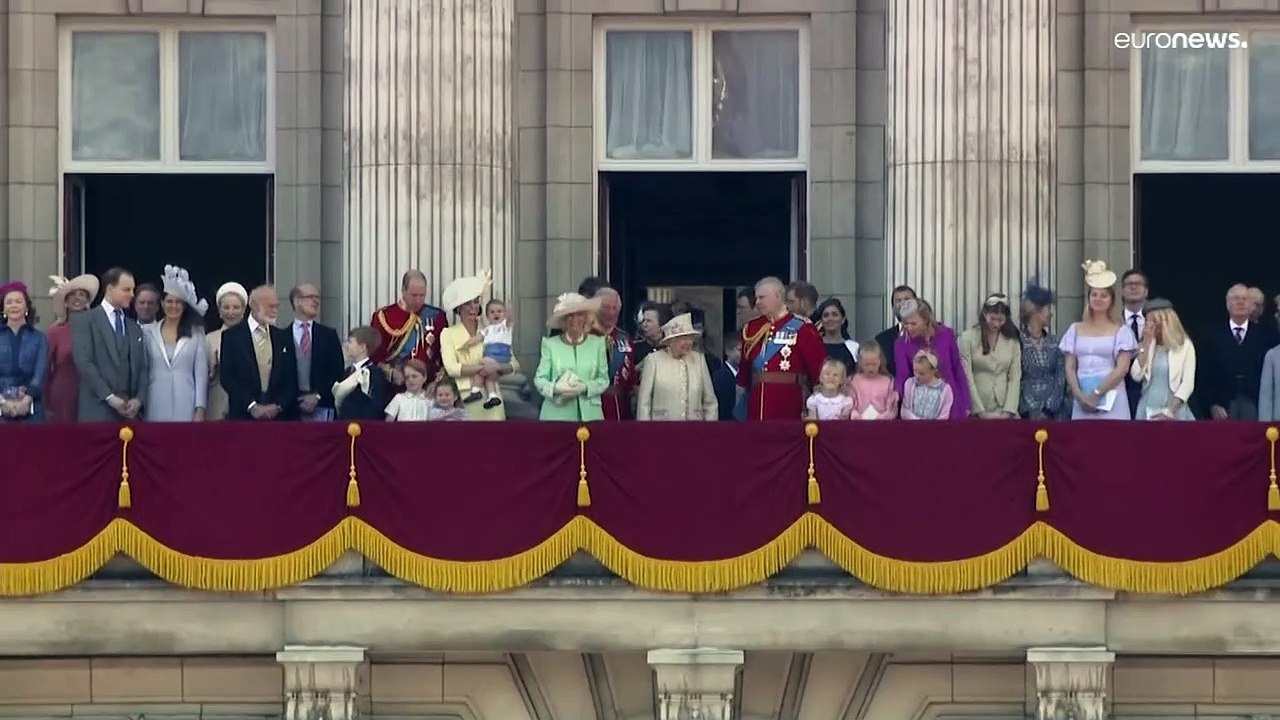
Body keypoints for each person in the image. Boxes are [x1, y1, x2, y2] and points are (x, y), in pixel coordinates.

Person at [737, 277, 825, 420]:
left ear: (778, 296)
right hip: (755, 408)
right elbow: (744, 372)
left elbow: (817, 371)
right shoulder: (751, 328)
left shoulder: (802, 327)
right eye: (756, 298)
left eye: (762, 298)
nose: (757, 303)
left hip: (789, 406)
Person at [1061, 261, 1137, 420]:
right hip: (1082, 399)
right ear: (1088, 298)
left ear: (1111, 300)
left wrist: (1097, 394)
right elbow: (1070, 367)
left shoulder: (1121, 331)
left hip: (1112, 398)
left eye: (1104, 295)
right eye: (1094, 295)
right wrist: (1080, 396)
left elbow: (1122, 369)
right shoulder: (1075, 329)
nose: (1099, 299)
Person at [438, 271, 519, 421]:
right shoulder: (448, 333)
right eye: (467, 304)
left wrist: (497, 368)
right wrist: (482, 369)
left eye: (475, 302)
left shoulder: (492, 329)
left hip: (493, 397)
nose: (472, 308)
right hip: (465, 398)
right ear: (458, 308)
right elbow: (452, 368)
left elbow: (513, 365)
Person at [71, 268, 148, 423]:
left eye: (133, 290)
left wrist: (138, 400)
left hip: (129, 413)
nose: (132, 295)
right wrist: (109, 397)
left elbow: (142, 367)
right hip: (97, 410)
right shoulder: (85, 321)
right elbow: (84, 363)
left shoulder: (134, 327)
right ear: (110, 289)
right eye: (126, 290)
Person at [219, 285, 299, 421]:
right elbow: (228, 377)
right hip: (243, 416)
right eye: (270, 306)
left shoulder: (282, 336)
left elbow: (291, 377)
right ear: (254, 306)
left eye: (276, 306)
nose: (275, 311)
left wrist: (278, 406)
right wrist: (251, 406)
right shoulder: (232, 336)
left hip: (278, 418)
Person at [141, 265, 209, 422]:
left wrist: (200, 408)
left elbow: (200, 373)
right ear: (162, 304)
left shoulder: (196, 333)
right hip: (155, 399)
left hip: (186, 400)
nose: (173, 306)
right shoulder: (148, 332)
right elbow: (143, 369)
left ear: (184, 306)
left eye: (178, 302)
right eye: (169, 301)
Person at [1200, 283, 1277, 421]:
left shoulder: (1265, 337)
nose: (1240, 302)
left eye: (1245, 299)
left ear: (1252, 305)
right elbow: (1204, 375)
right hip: (1222, 407)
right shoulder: (1212, 336)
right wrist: (1212, 405)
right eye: (1236, 298)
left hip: (1255, 406)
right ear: (1227, 303)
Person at [370, 270, 449, 398]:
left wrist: (437, 383)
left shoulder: (437, 316)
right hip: (393, 389)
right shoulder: (384, 316)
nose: (418, 300)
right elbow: (374, 356)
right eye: (413, 295)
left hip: (428, 388)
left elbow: (444, 354)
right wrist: (391, 373)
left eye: (422, 295)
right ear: (403, 290)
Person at [534, 292, 609, 422]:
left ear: (586, 318)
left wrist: (585, 387)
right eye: (570, 316)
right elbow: (540, 379)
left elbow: (603, 380)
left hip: (590, 416)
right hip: (556, 416)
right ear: (563, 320)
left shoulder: (597, 344)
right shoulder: (550, 344)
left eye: (579, 315)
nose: (575, 320)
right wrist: (555, 388)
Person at [892, 298, 970, 419]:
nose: (909, 328)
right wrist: (897, 392)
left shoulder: (947, 335)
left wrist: (966, 404)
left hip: (950, 401)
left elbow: (958, 370)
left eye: (914, 323)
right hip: (919, 405)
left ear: (926, 320)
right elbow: (902, 374)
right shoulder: (901, 344)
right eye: (906, 324)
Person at [635, 313, 718, 421]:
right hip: (662, 431)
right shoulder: (653, 360)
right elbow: (644, 404)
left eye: (690, 338)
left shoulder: (699, 360)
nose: (688, 342)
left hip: (695, 432)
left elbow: (710, 402)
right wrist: (646, 433)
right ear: (671, 341)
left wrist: (709, 432)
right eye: (683, 338)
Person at [44, 274, 99, 423]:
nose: (77, 298)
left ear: (88, 302)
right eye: (72, 295)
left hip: (91, 392)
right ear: (65, 303)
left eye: (81, 295)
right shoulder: (56, 331)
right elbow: (45, 368)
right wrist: (46, 402)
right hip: (63, 392)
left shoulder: (97, 329)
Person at [958, 293, 1022, 419]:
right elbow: (967, 376)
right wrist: (979, 411)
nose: (996, 324)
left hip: (1004, 408)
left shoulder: (1012, 342)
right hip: (978, 406)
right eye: (992, 318)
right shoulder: (967, 338)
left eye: (1001, 320)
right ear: (984, 314)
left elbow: (1015, 377)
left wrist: (1008, 411)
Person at [1131, 298, 1196, 421]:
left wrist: (1170, 411)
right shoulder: (1149, 345)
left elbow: (1187, 384)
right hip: (1148, 404)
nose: (1149, 326)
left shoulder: (1184, 346)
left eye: (1153, 322)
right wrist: (1145, 344)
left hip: (1174, 407)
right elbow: (1136, 375)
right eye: (1147, 322)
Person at [289, 284, 345, 422]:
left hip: (323, 406)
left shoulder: (329, 335)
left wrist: (318, 396)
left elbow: (337, 371)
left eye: (317, 297)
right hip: (290, 409)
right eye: (310, 297)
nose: (316, 301)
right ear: (297, 301)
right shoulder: (281, 336)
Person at [1019, 279, 1066, 420]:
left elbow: (1060, 378)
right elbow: (1017, 378)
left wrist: (1049, 408)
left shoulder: (1055, 342)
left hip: (1055, 412)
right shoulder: (1018, 342)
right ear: (1036, 311)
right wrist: (1029, 408)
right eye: (1048, 309)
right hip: (1026, 412)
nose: (1050, 314)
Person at [0, 282, 48, 422]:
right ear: (3, 309)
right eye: (9, 302)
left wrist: (26, 401)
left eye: (18, 301)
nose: (14, 306)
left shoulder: (39, 338)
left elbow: (41, 373)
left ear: (26, 307)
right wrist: (3, 402)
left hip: (32, 406)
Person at [205, 282, 248, 421]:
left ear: (243, 311)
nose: (231, 312)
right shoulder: (209, 339)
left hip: (244, 407)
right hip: (217, 404)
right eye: (226, 307)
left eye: (236, 307)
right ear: (219, 311)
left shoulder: (251, 339)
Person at [594, 287, 636, 421]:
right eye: (606, 308)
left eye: (615, 308)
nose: (611, 313)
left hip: (621, 408)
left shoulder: (625, 339)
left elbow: (631, 378)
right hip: (593, 405)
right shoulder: (586, 338)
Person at [333, 326, 388, 421]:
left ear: (362, 347)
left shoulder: (374, 373)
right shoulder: (347, 371)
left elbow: (375, 406)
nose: (346, 345)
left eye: (350, 342)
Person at [465, 299, 512, 408]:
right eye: (492, 312)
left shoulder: (505, 326)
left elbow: (510, 319)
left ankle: (475, 391)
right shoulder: (487, 329)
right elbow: (477, 338)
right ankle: (492, 396)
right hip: (490, 353)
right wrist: (466, 344)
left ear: (504, 314)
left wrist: (509, 311)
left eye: (499, 311)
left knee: (481, 366)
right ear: (487, 316)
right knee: (490, 378)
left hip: (500, 352)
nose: (496, 314)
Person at [385, 359, 463, 421]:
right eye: (407, 377)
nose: (410, 380)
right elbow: (388, 423)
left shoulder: (430, 399)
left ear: (424, 377)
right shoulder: (399, 398)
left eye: (414, 376)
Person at [875, 285, 918, 378]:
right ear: (893, 308)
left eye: (907, 299)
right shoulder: (881, 339)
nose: (903, 304)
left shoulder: (932, 332)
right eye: (898, 301)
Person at [849, 342, 898, 420]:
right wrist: (854, 413)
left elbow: (892, 406)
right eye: (867, 364)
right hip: (859, 422)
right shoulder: (854, 380)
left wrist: (887, 415)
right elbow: (850, 402)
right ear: (860, 363)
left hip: (882, 422)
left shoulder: (888, 381)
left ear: (880, 362)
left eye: (874, 364)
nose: (871, 368)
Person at [901, 349, 953, 420]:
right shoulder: (910, 384)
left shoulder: (945, 390)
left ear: (933, 371)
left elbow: (944, 416)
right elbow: (904, 410)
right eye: (915, 371)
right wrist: (917, 421)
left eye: (922, 373)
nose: (917, 376)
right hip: (912, 427)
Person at [815, 297, 859, 374]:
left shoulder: (854, 347)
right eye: (826, 315)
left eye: (834, 315)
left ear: (843, 319)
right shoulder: (814, 345)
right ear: (821, 321)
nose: (830, 318)